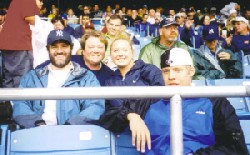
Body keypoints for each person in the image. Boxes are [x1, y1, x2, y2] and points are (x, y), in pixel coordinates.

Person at [144, 47, 249, 155]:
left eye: (177, 70)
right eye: (166, 71)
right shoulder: (151, 103)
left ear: (191, 71)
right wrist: (133, 116)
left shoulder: (215, 102)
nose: (171, 76)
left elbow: (234, 147)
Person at [12, 30, 105, 129]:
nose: (59, 51)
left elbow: (95, 106)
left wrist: (71, 126)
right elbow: (20, 105)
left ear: (71, 48)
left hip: (74, 134)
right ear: (48, 49)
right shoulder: (33, 77)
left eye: (64, 46)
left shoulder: (87, 77)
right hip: (38, 134)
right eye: (54, 47)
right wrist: (37, 124)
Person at [99, 34, 165, 153]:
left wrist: (134, 115)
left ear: (132, 52)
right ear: (111, 55)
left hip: (155, 133)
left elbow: (160, 97)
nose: (120, 53)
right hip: (123, 137)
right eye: (116, 50)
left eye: (125, 50)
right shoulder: (109, 81)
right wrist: (130, 115)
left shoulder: (149, 70)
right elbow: (110, 112)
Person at [0, 0, 41, 88]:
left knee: (9, 77)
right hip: (19, 44)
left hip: (8, 43)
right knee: (22, 77)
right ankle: (19, 101)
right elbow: (29, 18)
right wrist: (47, 24)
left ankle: (7, 101)